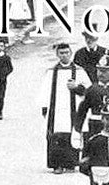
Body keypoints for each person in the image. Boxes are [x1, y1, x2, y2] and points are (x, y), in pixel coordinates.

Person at [38, 43, 89, 174]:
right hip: (56, 110)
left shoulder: (79, 71)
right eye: (61, 53)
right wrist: (44, 107)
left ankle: (70, 164)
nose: (64, 55)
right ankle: (57, 165)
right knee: (56, 135)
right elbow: (45, 90)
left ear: (70, 53)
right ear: (57, 55)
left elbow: (87, 90)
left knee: (72, 134)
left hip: (73, 109)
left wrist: (77, 87)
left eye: (66, 52)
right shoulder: (51, 71)